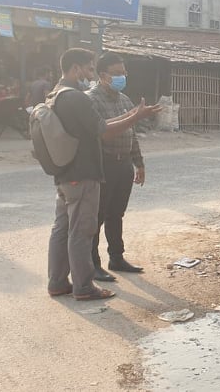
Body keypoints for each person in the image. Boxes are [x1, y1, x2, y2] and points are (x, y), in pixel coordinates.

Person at [46, 48, 161, 301]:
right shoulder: (79, 98)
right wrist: (135, 116)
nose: (89, 75)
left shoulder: (57, 94)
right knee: (82, 230)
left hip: (67, 171)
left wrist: (133, 116)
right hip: (83, 172)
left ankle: (58, 282)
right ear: (76, 68)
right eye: (89, 69)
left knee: (63, 228)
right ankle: (84, 286)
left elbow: (108, 128)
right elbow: (103, 132)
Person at [86, 53, 147, 282]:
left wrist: (139, 163)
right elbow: (99, 133)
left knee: (116, 214)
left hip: (124, 165)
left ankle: (116, 257)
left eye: (124, 72)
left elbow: (132, 134)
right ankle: (92, 264)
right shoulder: (90, 100)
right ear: (103, 75)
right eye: (118, 73)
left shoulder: (124, 100)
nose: (123, 77)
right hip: (104, 164)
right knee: (97, 216)